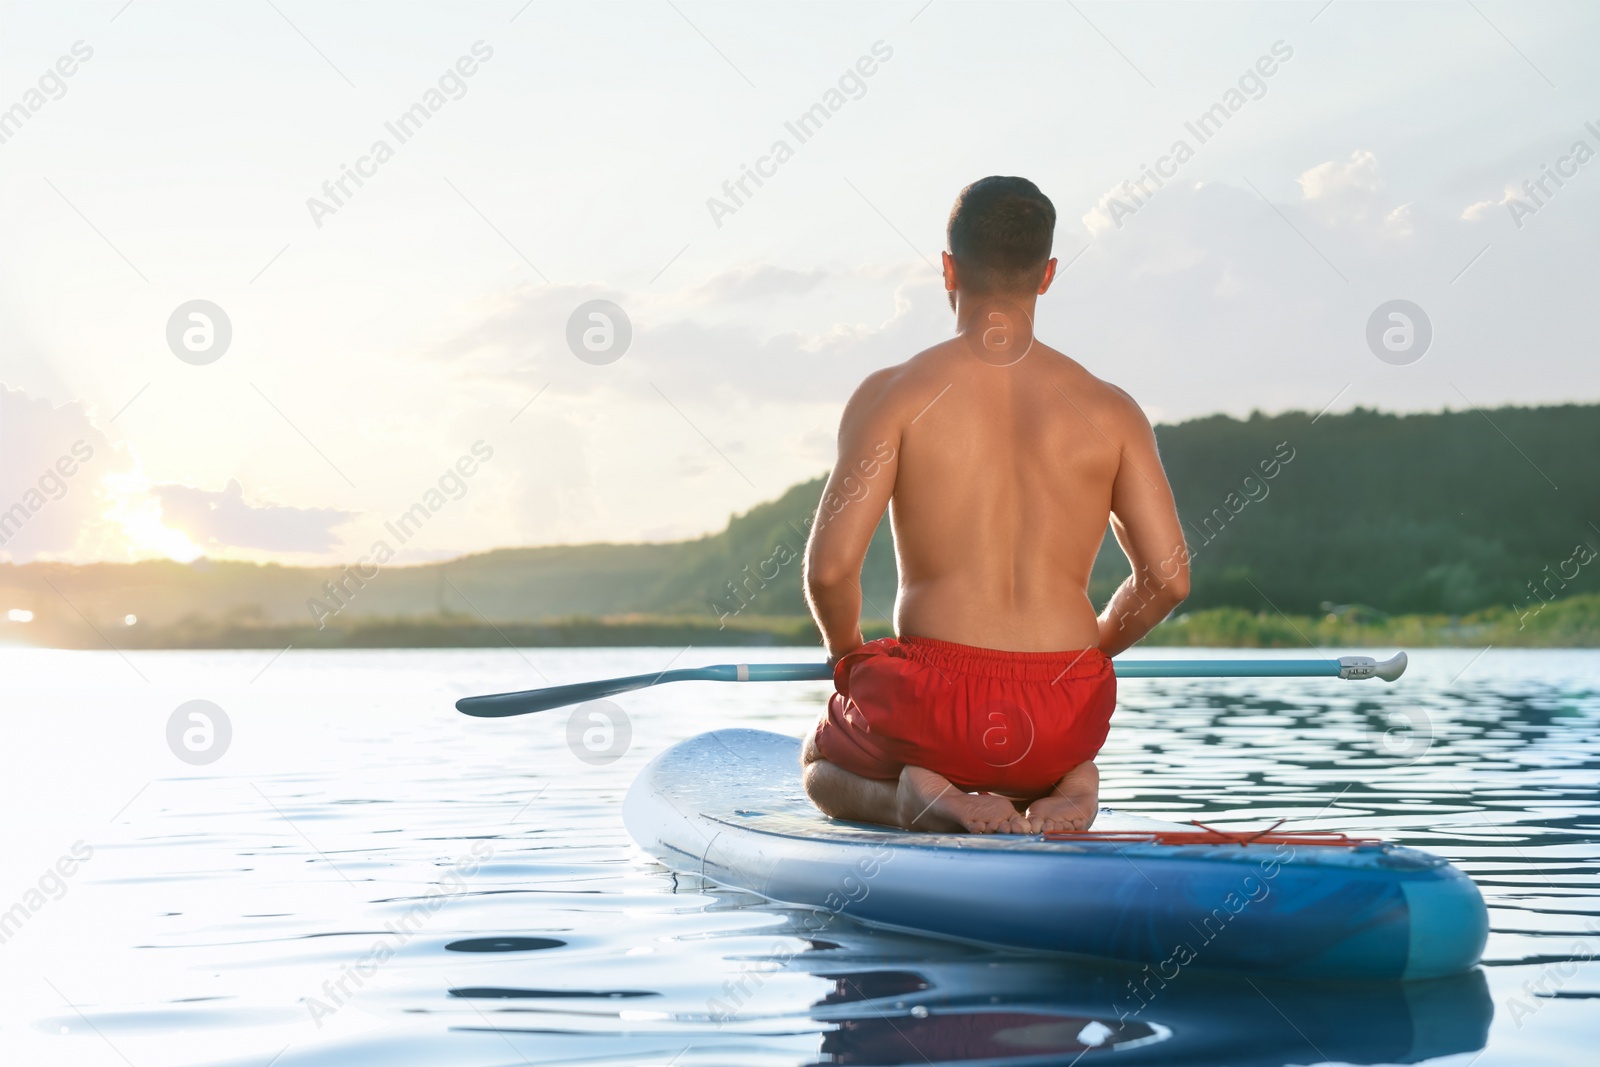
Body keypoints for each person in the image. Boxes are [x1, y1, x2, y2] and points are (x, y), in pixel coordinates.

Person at [801, 176, 1189, 835]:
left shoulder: (894, 394)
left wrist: (850, 664)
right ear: (1048, 275)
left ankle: (911, 796)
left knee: (817, 765)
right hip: (1066, 707)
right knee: (1055, 748)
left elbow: (831, 570)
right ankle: (1071, 783)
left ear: (947, 269)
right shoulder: (1113, 410)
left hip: (936, 706)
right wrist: (1090, 649)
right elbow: (1169, 578)